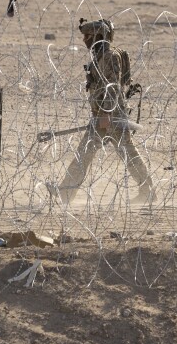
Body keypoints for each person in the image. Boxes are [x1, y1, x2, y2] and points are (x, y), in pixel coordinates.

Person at [48, 18, 155, 207]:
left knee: (116, 153)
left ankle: (66, 193)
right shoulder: (100, 56)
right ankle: (66, 193)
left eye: (88, 36)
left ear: (99, 36)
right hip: (103, 114)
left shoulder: (109, 56)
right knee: (99, 153)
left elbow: (113, 86)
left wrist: (106, 114)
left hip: (110, 116)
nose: (85, 40)